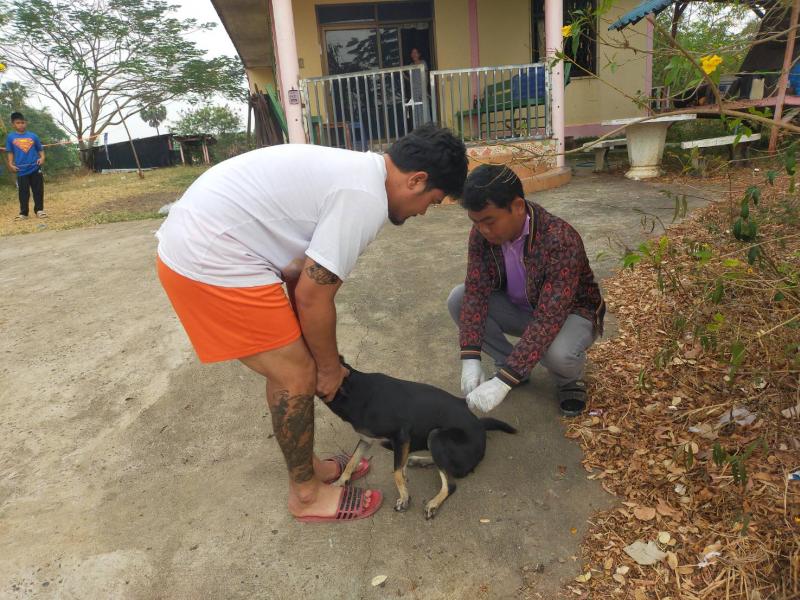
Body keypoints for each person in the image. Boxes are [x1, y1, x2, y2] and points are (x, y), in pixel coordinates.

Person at [156, 125, 468, 523]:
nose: (423, 212)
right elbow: (312, 295)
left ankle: (309, 470)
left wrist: (317, 356)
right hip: (210, 257)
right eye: (432, 201)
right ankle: (306, 495)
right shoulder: (366, 198)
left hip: (206, 240)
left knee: (296, 365)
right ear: (417, 180)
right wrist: (329, 368)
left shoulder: (358, 173)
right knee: (296, 374)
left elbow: (299, 274)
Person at [447, 164, 604, 417]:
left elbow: (549, 318)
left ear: (518, 206)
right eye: (476, 222)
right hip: (522, 308)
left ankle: (568, 382)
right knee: (459, 299)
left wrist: (503, 382)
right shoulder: (481, 235)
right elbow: (476, 292)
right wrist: (470, 356)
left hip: (571, 314)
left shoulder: (559, 239)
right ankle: (512, 365)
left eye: (489, 221)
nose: (483, 230)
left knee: (557, 354)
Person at [5, 112, 46, 220]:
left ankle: (39, 211)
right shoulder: (10, 137)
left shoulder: (33, 136)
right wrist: (10, 163)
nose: (21, 125)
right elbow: (10, 152)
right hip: (21, 169)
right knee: (23, 192)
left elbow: (40, 149)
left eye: (23, 122)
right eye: (18, 123)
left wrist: (42, 158)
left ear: (26, 123)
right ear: (13, 124)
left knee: (38, 190)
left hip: (35, 167)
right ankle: (24, 213)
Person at [408, 47, 432, 126]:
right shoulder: (411, 65)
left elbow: (426, 77)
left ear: (419, 54)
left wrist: (425, 90)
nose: (414, 54)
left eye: (415, 53)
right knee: (416, 111)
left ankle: (427, 129)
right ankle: (419, 130)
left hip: (422, 90)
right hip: (414, 92)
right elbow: (411, 80)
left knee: (424, 110)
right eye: (412, 53)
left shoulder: (423, 63)